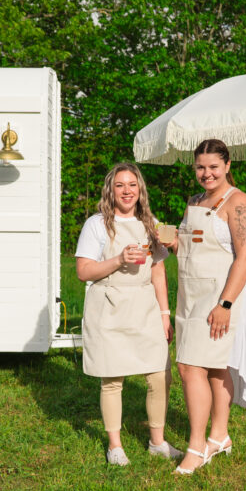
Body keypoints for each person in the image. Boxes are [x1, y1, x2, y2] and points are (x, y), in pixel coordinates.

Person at [75, 162, 182, 465]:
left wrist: (164, 313)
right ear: (110, 190)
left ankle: (157, 442)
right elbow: (83, 271)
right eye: (120, 185)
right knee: (112, 379)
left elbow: (158, 270)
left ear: (140, 190)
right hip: (109, 306)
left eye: (132, 185)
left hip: (144, 307)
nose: (126, 191)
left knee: (160, 375)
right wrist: (119, 259)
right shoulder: (96, 224)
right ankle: (115, 446)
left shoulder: (152, 223)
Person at [168, 139, 246, 475]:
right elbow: (191, 249)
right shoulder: (194, 201)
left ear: (228, 166)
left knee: (191, 368)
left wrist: (225, 304)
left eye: (213, 167)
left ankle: (196, 448)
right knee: (215, 366)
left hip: (223, 295)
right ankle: (220, 436)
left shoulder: (239, 203)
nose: (206, 173)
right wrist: (172, 241)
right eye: (200, 167)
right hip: (191, 294)